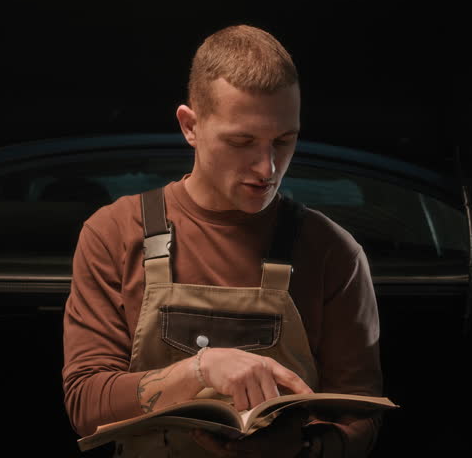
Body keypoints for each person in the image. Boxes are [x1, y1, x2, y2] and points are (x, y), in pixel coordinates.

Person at [62, 24, 383, 457]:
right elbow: (85, 403)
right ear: (190, 126)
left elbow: (358, 414)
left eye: (284, 141)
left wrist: (297, 450)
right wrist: (200, 371)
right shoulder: (114, 233)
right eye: (242, 141)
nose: (267, 168)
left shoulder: (332, 251)